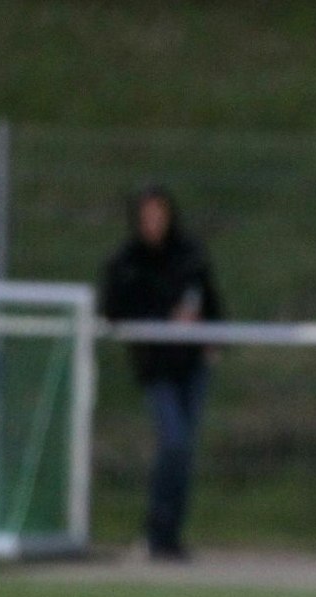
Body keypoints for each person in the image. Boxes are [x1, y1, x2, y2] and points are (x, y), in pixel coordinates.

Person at [100, 185, 223, 562]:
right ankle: (157, 529)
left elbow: (211, 301)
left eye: (160, 214)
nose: (155, 223)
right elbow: (114, 307)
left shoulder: (189, 255)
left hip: (190, 365)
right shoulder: (128, 261)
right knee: (173, 441)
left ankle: (170, 535)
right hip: (157, 367)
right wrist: (162, 317)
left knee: (183, 450)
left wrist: (211, 333)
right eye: (147, 216)